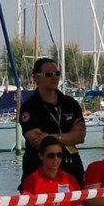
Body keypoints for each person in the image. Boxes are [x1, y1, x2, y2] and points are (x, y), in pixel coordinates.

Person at [19, 56, 87, 186]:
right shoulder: (29, 107)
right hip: (38, 172)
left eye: (57, 74)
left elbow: (80, 136)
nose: (54, 77)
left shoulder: (70, 103)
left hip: (71, 169)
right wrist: (69, 136)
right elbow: (37, 141)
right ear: (36, 77)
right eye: (49, 74)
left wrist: (50, 136)